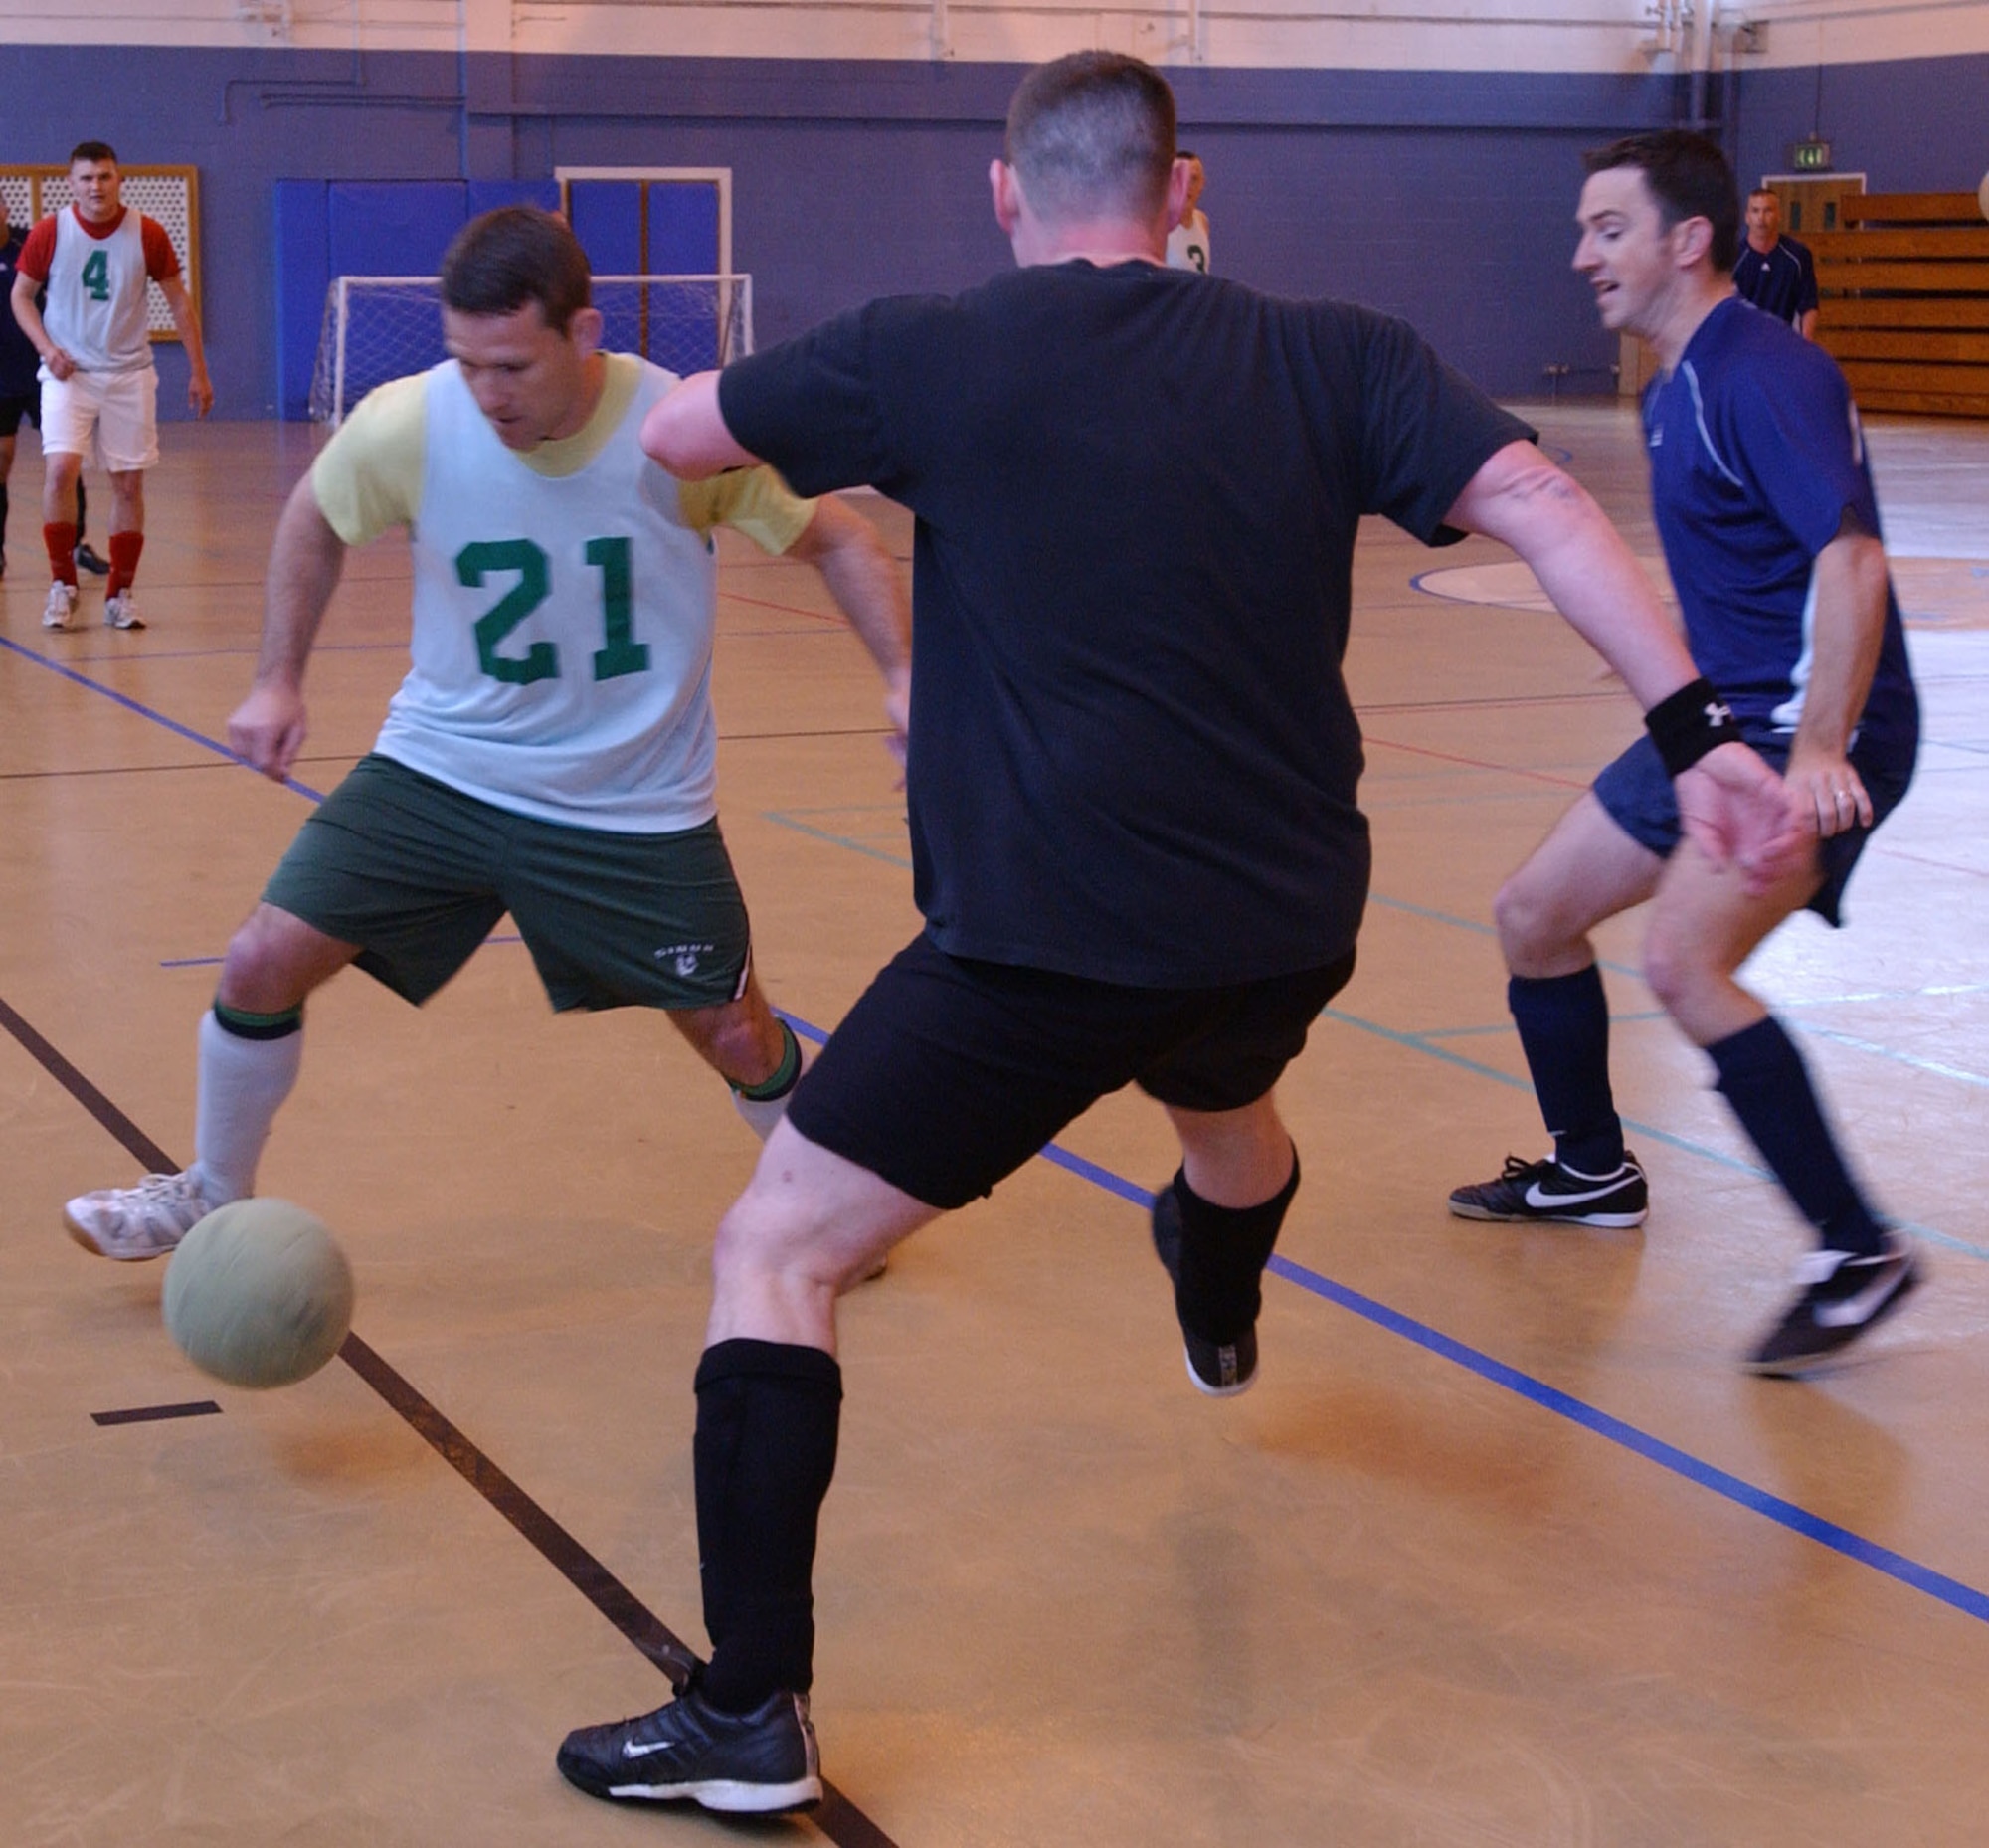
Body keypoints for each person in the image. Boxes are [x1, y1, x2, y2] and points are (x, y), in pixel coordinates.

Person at [550, 55, 1805, 1815]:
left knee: (776, 1251)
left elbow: (683, 436)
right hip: (1288, 921)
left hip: (1041, 951)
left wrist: (728, 397)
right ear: (1184, 183)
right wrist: (1694, 730)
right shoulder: (1338, 349)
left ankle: (749, 1710)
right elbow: (1541, 502)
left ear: (1009, 194)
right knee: (1225, 1104)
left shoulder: (931, 344)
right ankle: (1219, 1291)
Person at [62, 206, 911, 1265]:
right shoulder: (410, 421)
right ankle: (209, 1190)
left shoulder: (678, 433)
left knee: (737, 1032)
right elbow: (314, 519)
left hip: (630, 803)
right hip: (442, 771)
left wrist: (905, 678)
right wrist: (277, 679)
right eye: (466, 363)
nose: (487, 393)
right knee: (259, 959)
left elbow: (841, 537)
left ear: (583, 332)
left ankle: (835, 1213)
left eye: (511, 365)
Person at [1448, 131, 1920, 1377]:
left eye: (1607, 228)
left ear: (1686, 238)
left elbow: (1851, 559)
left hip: (1815, 728)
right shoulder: (1675, 387)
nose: (1581, 255)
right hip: (1715, 726)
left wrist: (1820, 745)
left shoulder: (1762, 373)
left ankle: (1853, 1248)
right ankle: (1592, 1169)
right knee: (1532, 914)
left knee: (1681, 961)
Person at [9, 140, 213, 632]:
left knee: (129, 482)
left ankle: (120, 593)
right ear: (70, 183)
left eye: (104, 177)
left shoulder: (147, 233)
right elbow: (21, 298)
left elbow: (180, 304)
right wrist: (47, 349)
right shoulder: (49, 232)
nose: (96, 186)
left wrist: (199, 369)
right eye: (86, 178)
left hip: (128, 373)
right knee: (59, 471)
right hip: (69, 373)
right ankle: (62, 584)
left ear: (120, 180)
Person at [0, 222, 94, 579]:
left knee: (65, 460)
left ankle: (76, 544)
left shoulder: (31, 242)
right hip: (2, 378)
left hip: (47, 369)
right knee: (2, 458)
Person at [1731, 187, 1818, 339]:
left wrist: (1805, 346)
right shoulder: (1733, 258)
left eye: (1768, 211)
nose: (1761, 218)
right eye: (1755, 211)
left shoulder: (1798, 255)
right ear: (1747, 217)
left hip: (1784, 343)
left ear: (1779, 215)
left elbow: (1809, 306)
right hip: (1744, 345)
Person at [1165, 146, 1210, 272]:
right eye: (1180, 179)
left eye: (1194, 179)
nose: (1187, 187)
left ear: (1203, 183)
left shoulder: (1202, 221)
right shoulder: (1159, 227)